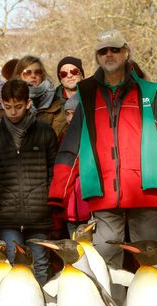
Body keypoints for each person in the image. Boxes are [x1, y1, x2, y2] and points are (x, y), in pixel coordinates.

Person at [49, 30, 157, 274]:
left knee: (152, 261)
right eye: (103, 51)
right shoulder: (87, 93)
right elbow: (71, 149)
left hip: (146, 190)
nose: (109, 54)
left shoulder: (147, 92)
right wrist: (58, 194)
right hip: (103, 194)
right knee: (107, 264)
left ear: (126, 52)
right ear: (97, 57)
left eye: (115, 49)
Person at [0, 79, 58, 284]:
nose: (13, 112)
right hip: (8, 215)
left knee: (39, 264)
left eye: (18, 107)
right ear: (2, 104)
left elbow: (54, 171)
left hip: (39, 213)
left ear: (28, 104)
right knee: (15, 266)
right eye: (8, 107)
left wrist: (51, 199)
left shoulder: (44, 132)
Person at [14, 55, 67, 138]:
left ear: (42, 75)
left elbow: (53, 138)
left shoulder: (56, 105)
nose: (33, 76)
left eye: (37, 72)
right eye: (27, 73)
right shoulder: (10, 101)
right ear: (19, 76)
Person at [61, 94, 90, 238]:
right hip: (69, 208)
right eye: (68, 114)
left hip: (88, 204)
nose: (71, 118)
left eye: (75, 113)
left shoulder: (92, 137)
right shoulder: (61, 137)